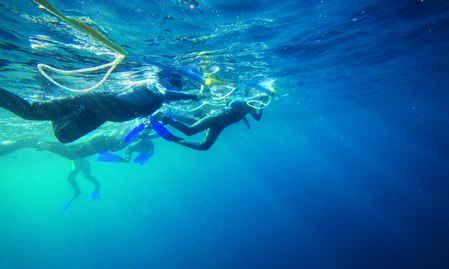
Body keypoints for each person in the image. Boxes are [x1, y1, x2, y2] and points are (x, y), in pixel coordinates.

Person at [0, 80, 203, 143]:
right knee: (30, 113)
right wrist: (194, 96)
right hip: (92, 103)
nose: (175, 90)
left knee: (64, 137)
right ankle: (47, 94)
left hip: (99, 115)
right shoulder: (153, 85)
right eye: (175, 86)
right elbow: (166, 92)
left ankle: (48, 91)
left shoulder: (156, 102)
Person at [155, 95, 266, 150]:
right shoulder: (239, 99)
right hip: (215, 117)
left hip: (220, 125)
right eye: (257, 100)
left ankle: (177, 141)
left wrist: (261, 106)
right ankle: (163, 117)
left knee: (205, 147)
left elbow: (257, 118)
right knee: (189, 131)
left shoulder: (250, 108)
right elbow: (240, 103)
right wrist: (261, 97)